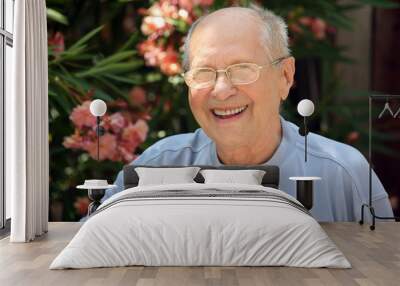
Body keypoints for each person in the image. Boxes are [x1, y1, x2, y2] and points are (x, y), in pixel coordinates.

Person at [102, 6, 393, 222]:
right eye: (204, 72)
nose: (222, 90)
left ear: (285, 77)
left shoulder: (344, 174)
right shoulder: (159, 165)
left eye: (242, 69)